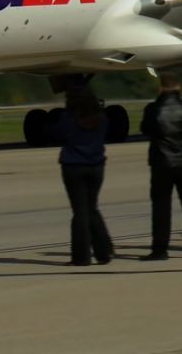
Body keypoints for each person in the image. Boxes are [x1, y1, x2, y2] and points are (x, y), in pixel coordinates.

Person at [139, 72, 182, 260]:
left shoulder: (152, 108)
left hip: (161, 162)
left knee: (161, 207)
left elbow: (145, 129)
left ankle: (160, 249)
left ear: (160, 88)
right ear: (179, 87)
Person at [56, 88, 114, 266]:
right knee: (92, 208)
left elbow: (56, 134)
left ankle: (81, 256)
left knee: (80, 212)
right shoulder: (101, 118)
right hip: (96, 166)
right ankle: (104, 252)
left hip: (74, 166)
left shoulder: (68, 119)